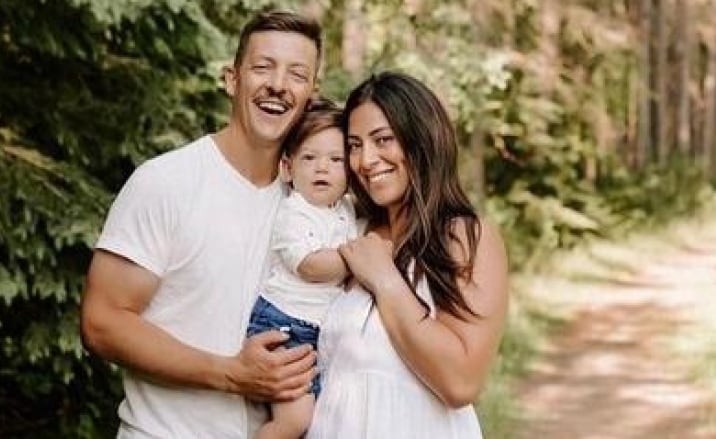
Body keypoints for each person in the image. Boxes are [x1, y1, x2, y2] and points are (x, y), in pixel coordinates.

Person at [80, 10, 323, 438]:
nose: (278, 85)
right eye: (263, 67)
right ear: (231, 79)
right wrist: (229, 373)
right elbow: (102, 323)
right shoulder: (167, 182)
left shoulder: (309, 205)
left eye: (296, 74)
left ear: (311, 94)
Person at [307, 71, 509, 438]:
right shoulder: (352, 231)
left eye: (382, 139)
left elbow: (460, 382)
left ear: (422, 139)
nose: (365, 160)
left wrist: (385, 281)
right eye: (354, 145)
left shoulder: (464, 236)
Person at [245, 99, 358, 439]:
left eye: (336, 160)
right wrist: (361, 259)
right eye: (309, 158)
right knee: (294, 421)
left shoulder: (345, 209)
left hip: (316, 332)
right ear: (287, 168)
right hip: (284, 327)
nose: (322, 168)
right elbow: (311, 267)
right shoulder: (293, 213)